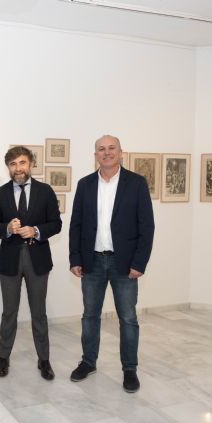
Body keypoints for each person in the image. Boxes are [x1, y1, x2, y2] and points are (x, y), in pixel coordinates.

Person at [68, 134, 154, 393]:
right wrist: (75, 258)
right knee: (89, 316)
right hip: (92, 261)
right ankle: (88, 362)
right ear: (95, 155)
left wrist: (139, 262)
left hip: (124, 263)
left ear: (121, 152)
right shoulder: (85, 184)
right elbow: (76, 225)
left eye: (111, 148)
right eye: (101, 149)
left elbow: (147, 227)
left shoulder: (136, 183)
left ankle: (130, 369)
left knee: (128, 319)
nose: (106, 153)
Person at [0, 146, 62, 380]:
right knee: (9, 312)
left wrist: (36, 230)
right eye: (13, 164)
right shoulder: (0, 193)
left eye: (22, 163)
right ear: (8, 168)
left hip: (37, 260)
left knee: (39, 313)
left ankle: (44, 360)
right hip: (9, 261)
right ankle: (3, 358)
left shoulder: (45, 191)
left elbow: (56, 223)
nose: (18, 168)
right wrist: (7, 229)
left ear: (31, 164)